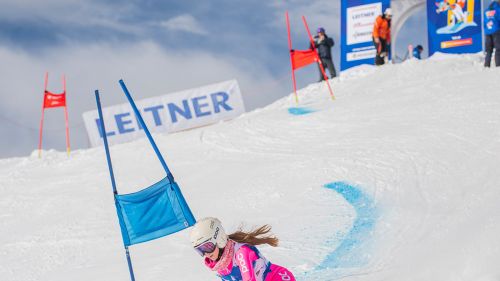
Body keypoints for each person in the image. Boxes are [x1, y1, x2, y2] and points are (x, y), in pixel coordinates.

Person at [190, 217, 296, 281]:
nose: (205, 253)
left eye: (207, 247)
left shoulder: (241, 253)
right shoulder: (219, 263)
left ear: (219, 239)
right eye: (200, 250)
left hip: (277, 278)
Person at [484, 0, 500, 67]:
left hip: (488, 32)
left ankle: (487, 65)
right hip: (496, 30)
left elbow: (485, 21)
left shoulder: (486, 10)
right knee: (498, 49)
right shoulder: (498, 10)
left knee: (489, 50)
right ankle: (498, 65)